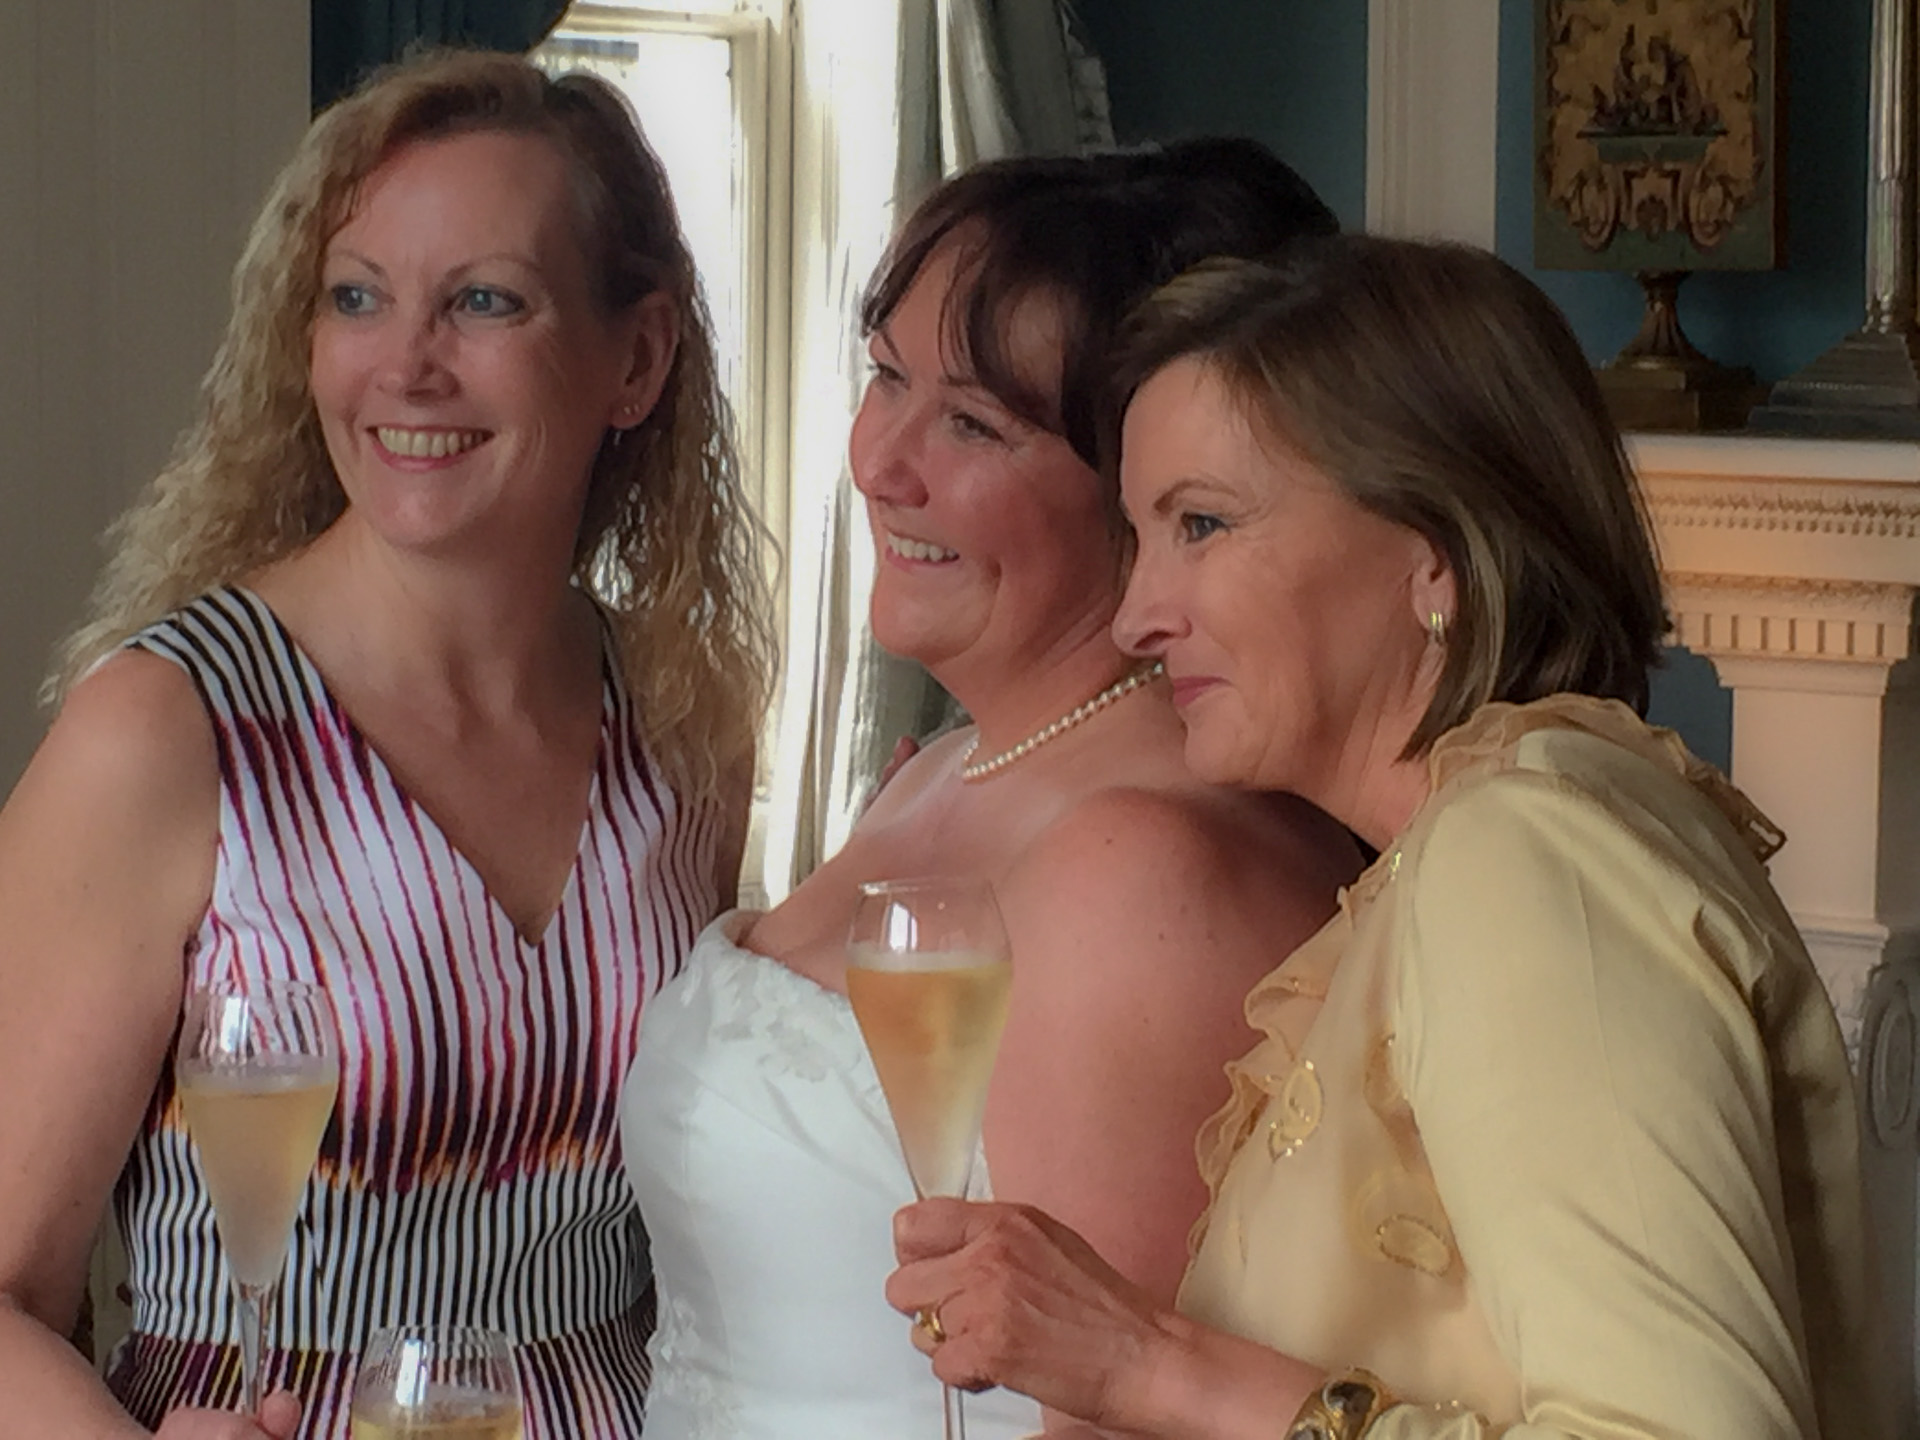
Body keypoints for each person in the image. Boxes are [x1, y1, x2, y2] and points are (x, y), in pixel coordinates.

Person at [885, 236, 1884, 1440]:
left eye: (1202, 524)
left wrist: (1153, 1366)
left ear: (1435, 557)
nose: (1140, 615)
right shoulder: (1449, 861)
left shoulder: (1525, 856)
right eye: (1141, 539)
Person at [0, 48, 773, 1439]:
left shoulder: (683, 726)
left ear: (638, 358)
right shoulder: (168, 731)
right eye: (356, 297)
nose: (407, 364)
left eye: (485, 300)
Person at [621, 142, 1363, 1438]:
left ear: (1149, 488)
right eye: (886, 379)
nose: (882, 464)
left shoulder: (1139, 872)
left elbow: (1111, 1414)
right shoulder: (953, 768)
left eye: (971, 424)